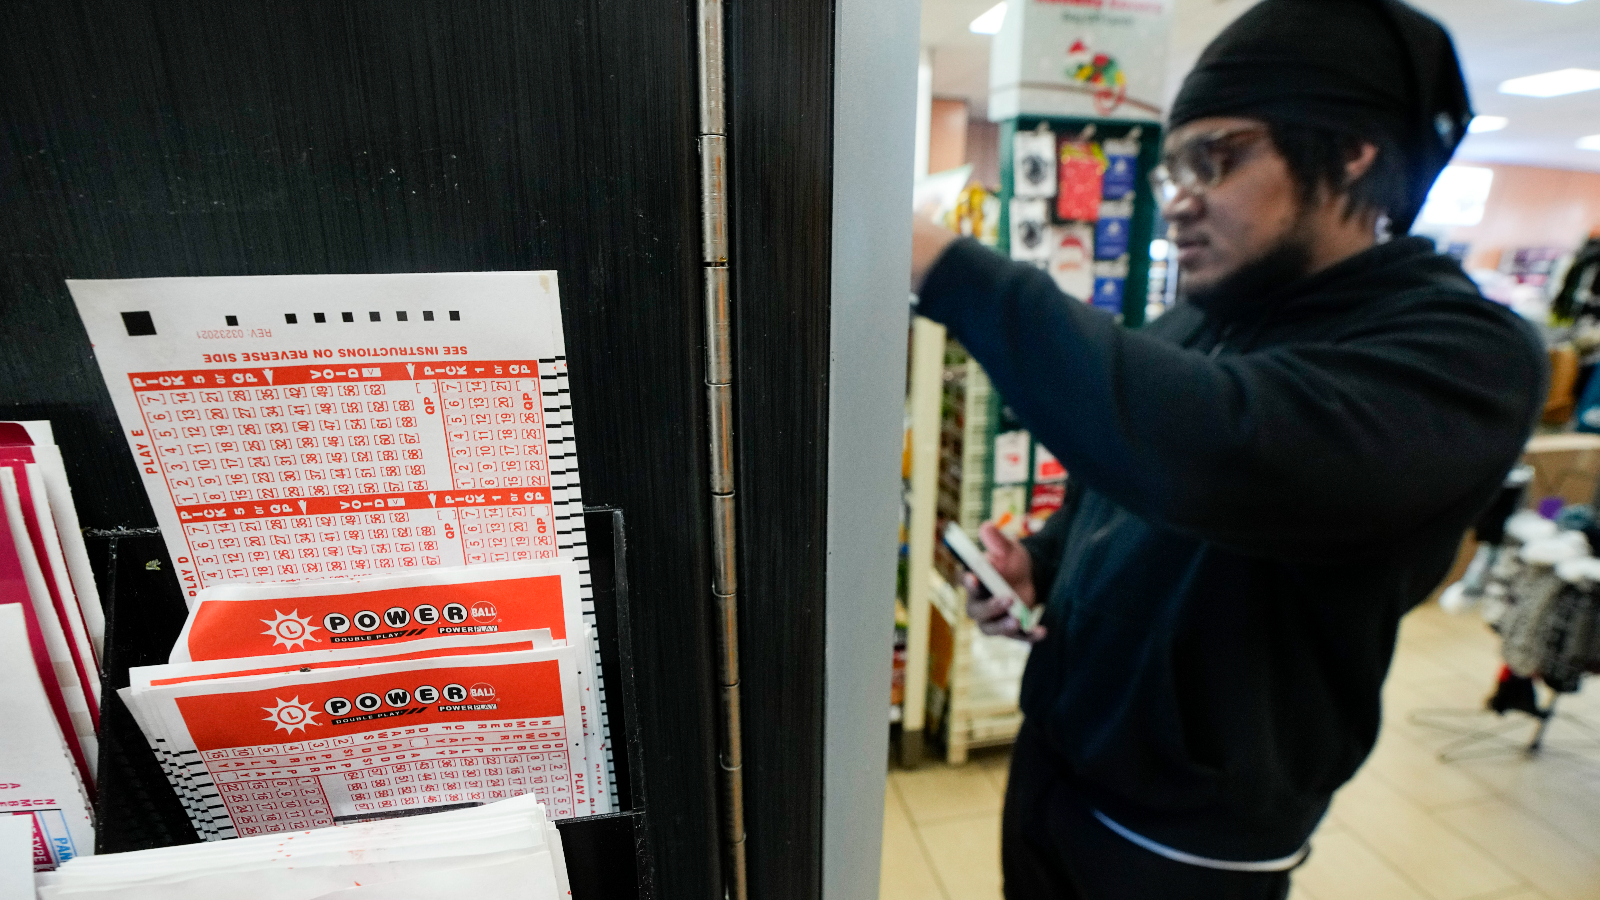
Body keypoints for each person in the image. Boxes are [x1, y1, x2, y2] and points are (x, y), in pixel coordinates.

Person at [908, 1, 1547, 898]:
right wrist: (1041, 567)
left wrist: (948, 269)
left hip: (1189, 845)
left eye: (1217, 157)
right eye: (1173, 167)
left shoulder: (1462, 354)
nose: (1178, 199)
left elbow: (1218, 453)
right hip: (1057, 767)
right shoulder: (1201, 316)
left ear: (1351, 148)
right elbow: (1118, 487)